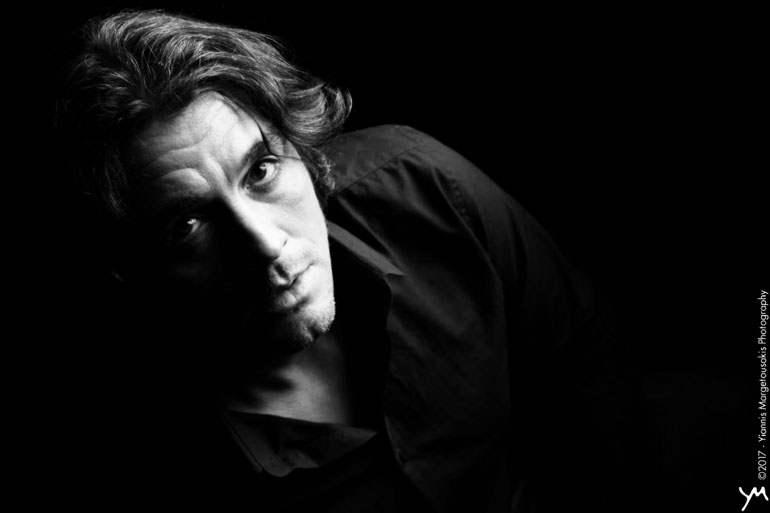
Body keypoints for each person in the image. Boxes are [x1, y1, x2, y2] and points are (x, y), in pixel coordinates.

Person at [55, 9, 660, 513]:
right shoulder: (133, 465)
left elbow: (580, 342)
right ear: (134, 270)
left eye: (261, 170)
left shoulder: (421, 186)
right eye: (188, 225)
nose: (265, 245)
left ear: (302, 150)